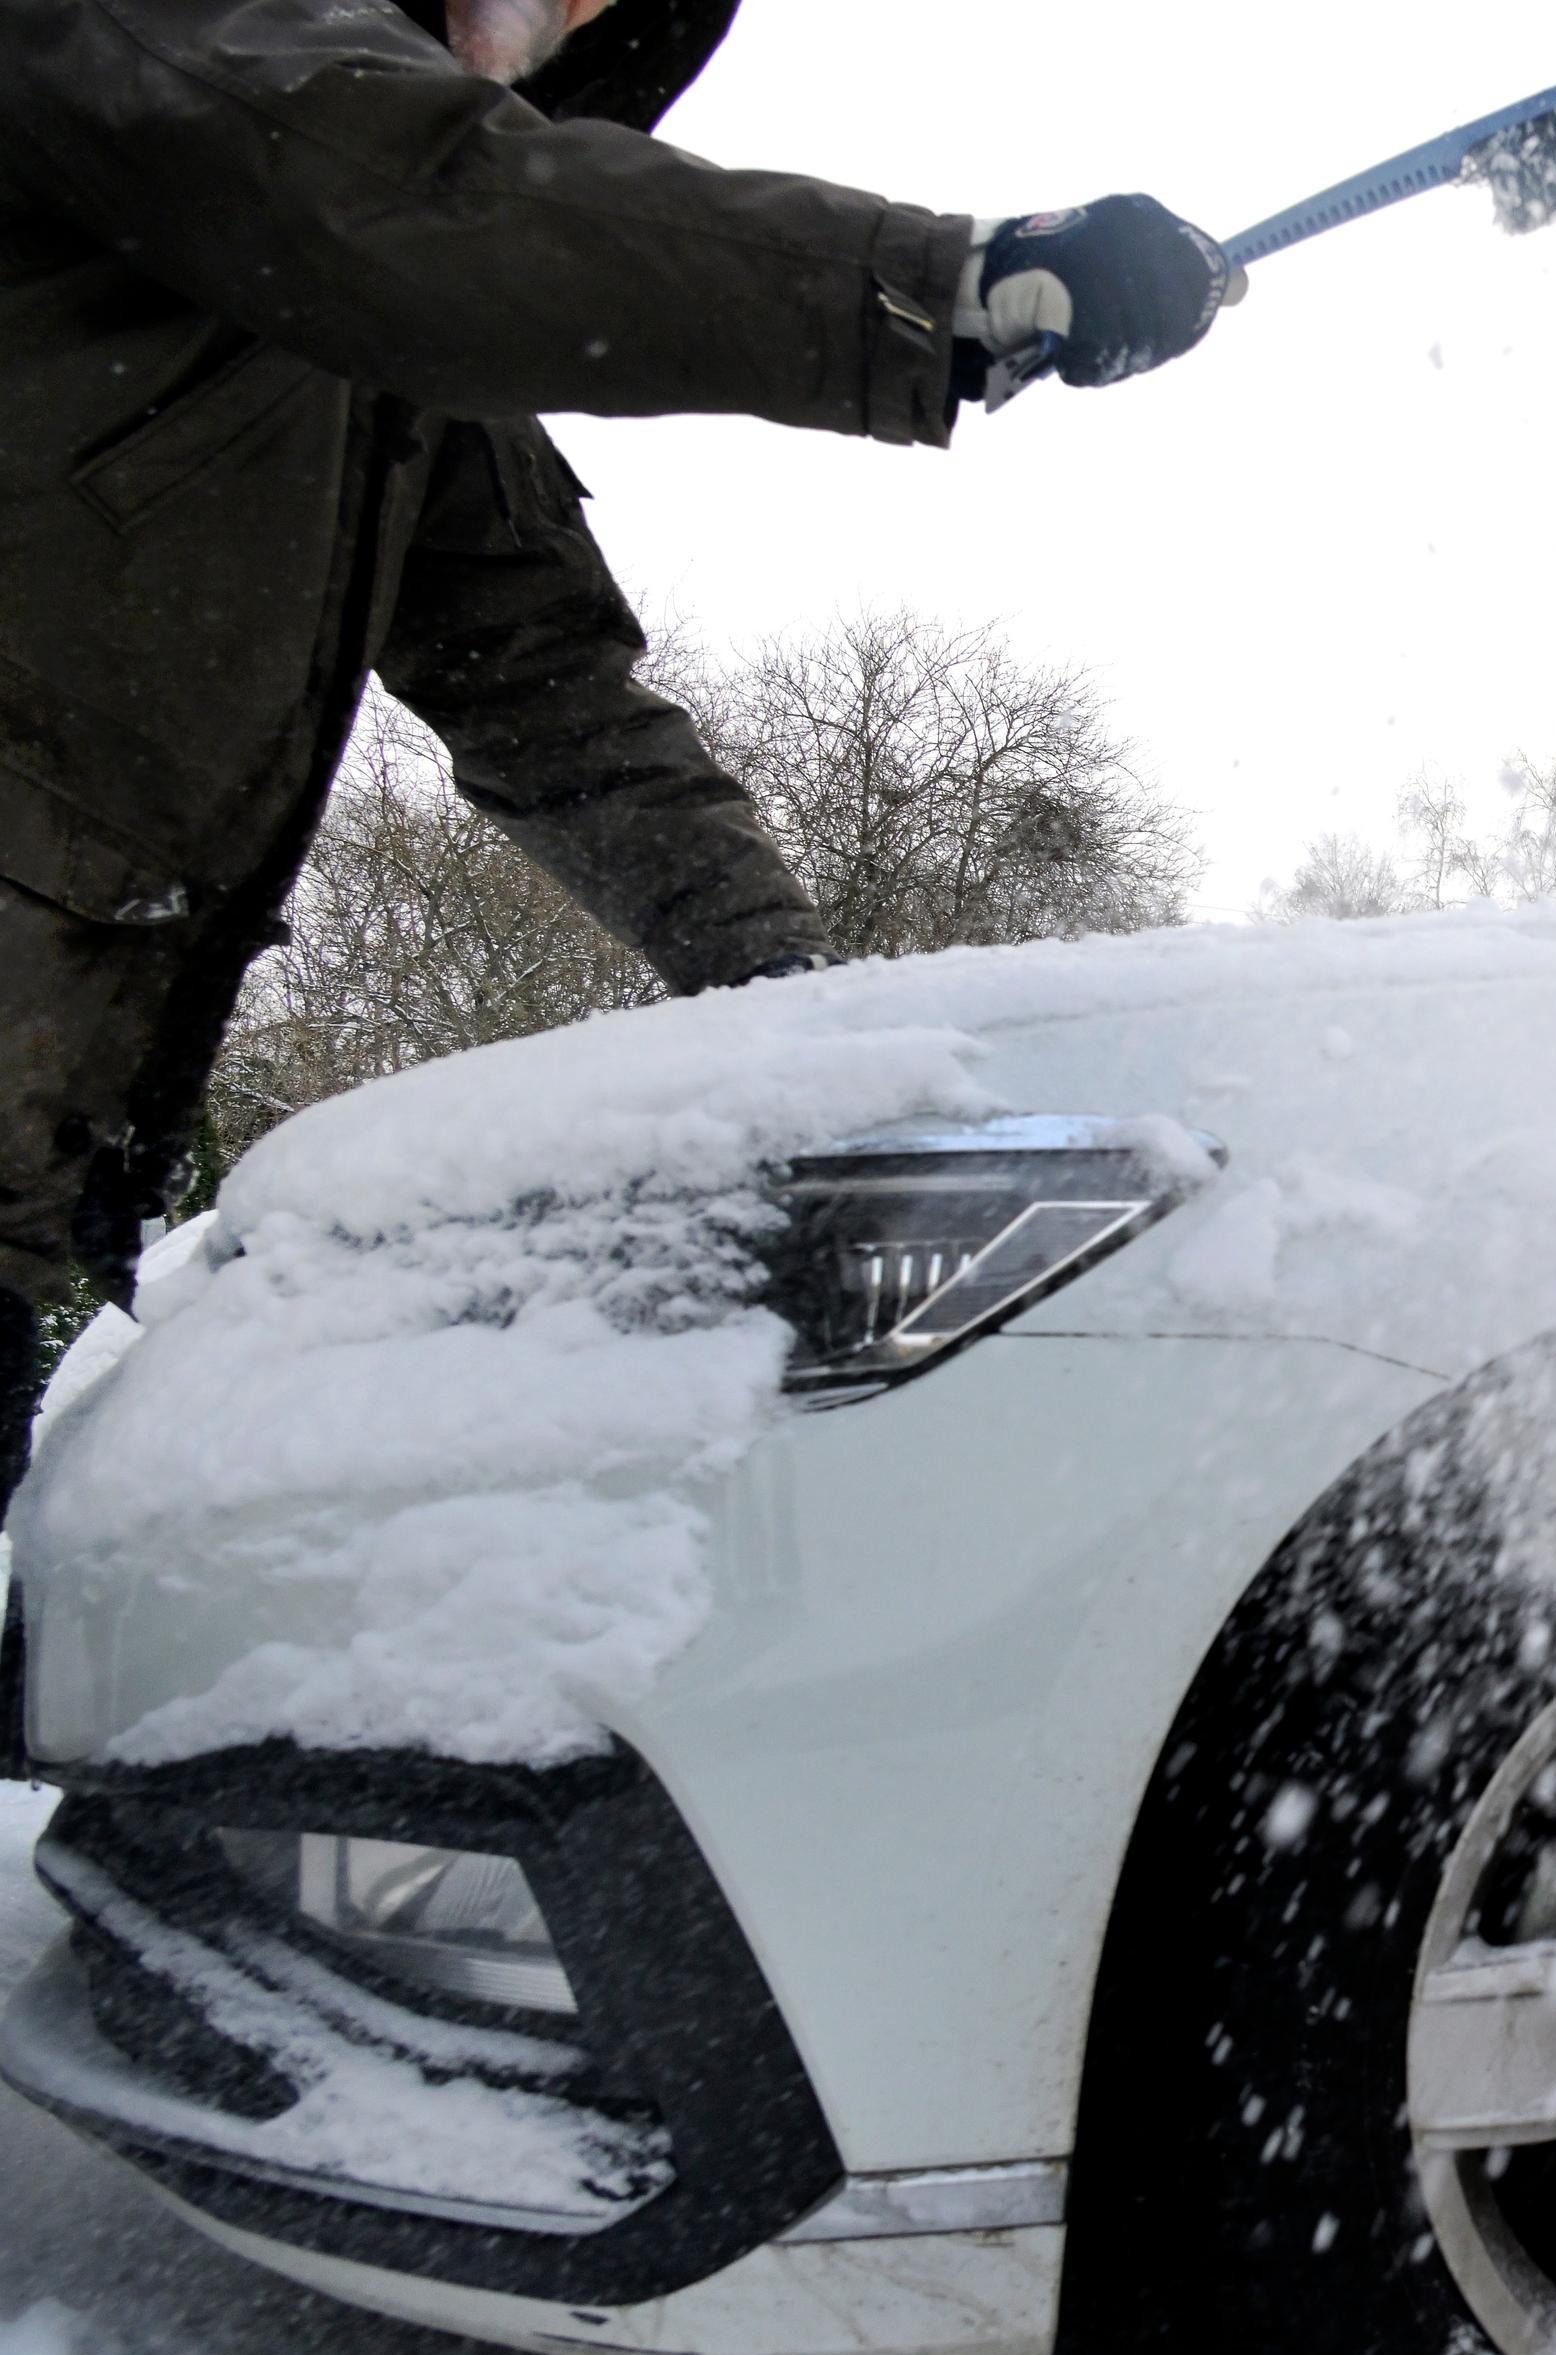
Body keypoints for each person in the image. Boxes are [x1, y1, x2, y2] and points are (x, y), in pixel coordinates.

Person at [0, 0, 1243, 1525]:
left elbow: (546, 691)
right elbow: (414, 203)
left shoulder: (372, 351)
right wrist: (947, 284)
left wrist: (784, 1005)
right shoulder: (201, 68)